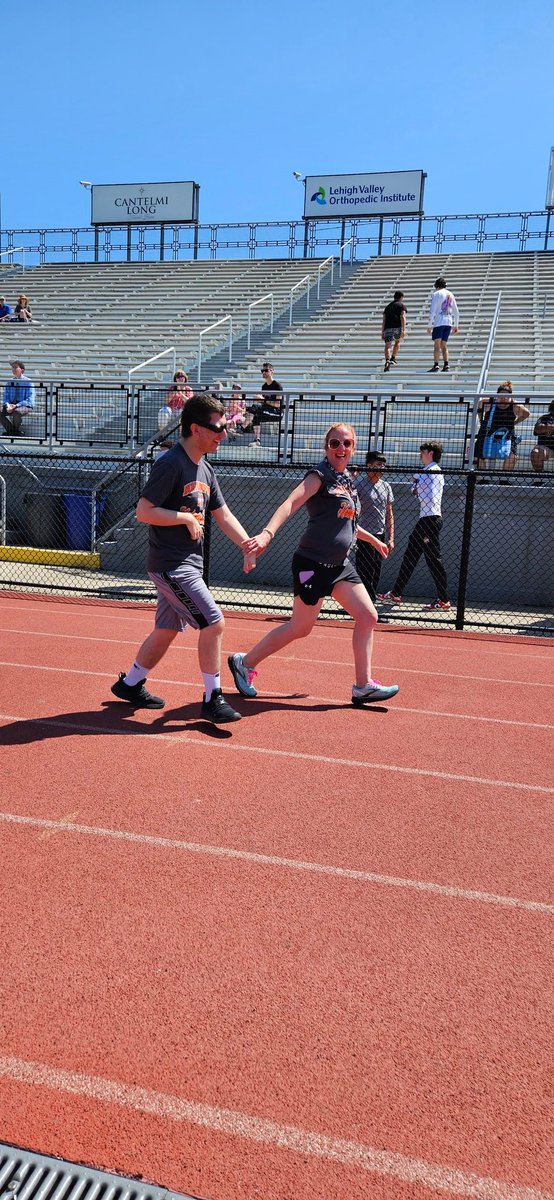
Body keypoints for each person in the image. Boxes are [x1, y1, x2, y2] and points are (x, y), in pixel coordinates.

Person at [227, 422, 400, 707]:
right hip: (313, 563)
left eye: (347, 443)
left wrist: (373, 541)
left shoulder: (348, 482)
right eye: (335, 443)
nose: (341, 448)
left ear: (353, 448)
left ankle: (363, 686)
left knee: (368, 617)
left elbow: (349, 524)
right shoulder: (319, 476)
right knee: (300, 627)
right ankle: (244, 662)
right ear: (326, 447)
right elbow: (289, 504)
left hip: (340, 566)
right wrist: (267, 534)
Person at [110, 392, 256, 724]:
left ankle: (130, 684)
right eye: (217, 428)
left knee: (165, 628)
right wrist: (185, 517)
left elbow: (223, 515)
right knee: (214, 622)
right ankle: (212, 698)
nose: (223, 435)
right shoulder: (171, 463)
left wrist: (247, 544)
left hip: (187, 564)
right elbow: (144, 511)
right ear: (195, 428)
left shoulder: (205, 468)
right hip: (172, 566)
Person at [379, 441, 451, 611]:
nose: (420, 454)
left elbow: (427, 497)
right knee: (411, 556)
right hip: (427, 519)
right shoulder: (429, 472)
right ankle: (396, 593)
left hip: (429, 519)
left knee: (434, 560)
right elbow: (420, 493)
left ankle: (444, 599)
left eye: (423, 451)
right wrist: (417, 487)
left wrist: (416, 486)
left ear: (431, 453)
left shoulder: (431, 471)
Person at [354, 452, 394, 600]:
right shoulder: (359, 486)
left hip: (380, 534)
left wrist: (390, 538)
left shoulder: (386, 487)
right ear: (369, 466)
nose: (381, 468)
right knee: (365, 571)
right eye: (378, 465)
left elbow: (389, 513)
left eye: (383, 465)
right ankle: (367, 604)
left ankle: (368, 603)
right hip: (364, 534)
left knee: (376, 570)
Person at [474, 381, 530, 475]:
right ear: (497, 395)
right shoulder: (489, 402)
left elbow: (526, 413)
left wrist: (514, 422)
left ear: (510, 396)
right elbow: (478, 405)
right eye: (501, 395)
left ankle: (504, 479)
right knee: (476, 455)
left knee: (512, 457)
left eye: (506, 395)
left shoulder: (515, 405)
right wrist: (481, 420)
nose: (503, 397)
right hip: (487, 433)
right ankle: (484, 478)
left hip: (507, 435)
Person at [247, 362, 283, 448]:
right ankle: (257, 440)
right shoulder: (264, 386)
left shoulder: (277, 386)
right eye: (262, 370)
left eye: (266, 370)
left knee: (255, 407)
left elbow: (278, 404)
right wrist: (259, 400)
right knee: (255, 415)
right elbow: (263, 403)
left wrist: (263, 400)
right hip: (267, 410)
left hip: (277, 412)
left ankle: (242, 427)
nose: (264, 372)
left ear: (272, 371)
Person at [427, 277, 459, 373]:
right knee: (444, 345)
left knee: (437, 345)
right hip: (448, 321)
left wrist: (429, 325)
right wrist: (456, 324)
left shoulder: (436, 294)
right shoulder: (450, 294)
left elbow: (432, 310)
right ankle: (446, 364)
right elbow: (456, 311)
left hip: (439, 322)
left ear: (436, 286)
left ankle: (436, 365)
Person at [0, 360, 35, 436]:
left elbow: (30, 399)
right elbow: (6, 396)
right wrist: (8, 405)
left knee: (16, 412)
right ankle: (11, 430)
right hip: (12, 404)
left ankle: (15, 430)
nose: (13, 369)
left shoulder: (28, 381)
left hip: (25, 405)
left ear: (22, 370)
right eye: (12, 367)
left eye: (15, 367)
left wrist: (16, 405)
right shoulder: (9, 382)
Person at [381, 291, 407, 372]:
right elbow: (402, 317)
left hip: (388, 328)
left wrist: (382, 331)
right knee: (397, 342)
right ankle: (393, 358)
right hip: (397, 327)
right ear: (401, 297)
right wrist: (403, 329)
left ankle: (387, 360)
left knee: (388, 346)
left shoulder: (388, 307)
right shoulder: (401, 305)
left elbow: (384, 320)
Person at [530, 398, 554, 480]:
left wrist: (548, 428)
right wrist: (549, 428)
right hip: (546, 447)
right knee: (535, 453)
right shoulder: (545, 418)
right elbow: (537, 429)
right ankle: (540, 478)